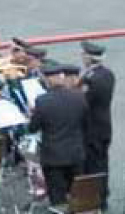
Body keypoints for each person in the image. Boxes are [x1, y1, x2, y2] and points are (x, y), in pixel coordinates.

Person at [28, 62, 88, 206]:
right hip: (75, 154)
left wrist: (32, 115)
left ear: (46, 80)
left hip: (53, 158)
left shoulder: (42, 101)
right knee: (77, 194)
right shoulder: (79, 97)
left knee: (57, 198)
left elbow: (33, 128)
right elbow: (85, 123)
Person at [79, 42, 115, 208]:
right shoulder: (108, 74)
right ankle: (102, 196)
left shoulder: (90, 79)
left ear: (88, 57)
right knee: (102, 163)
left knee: (93, 166)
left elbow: (84, 102)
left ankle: (96, 200)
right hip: (104, 127)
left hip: (92, 130)